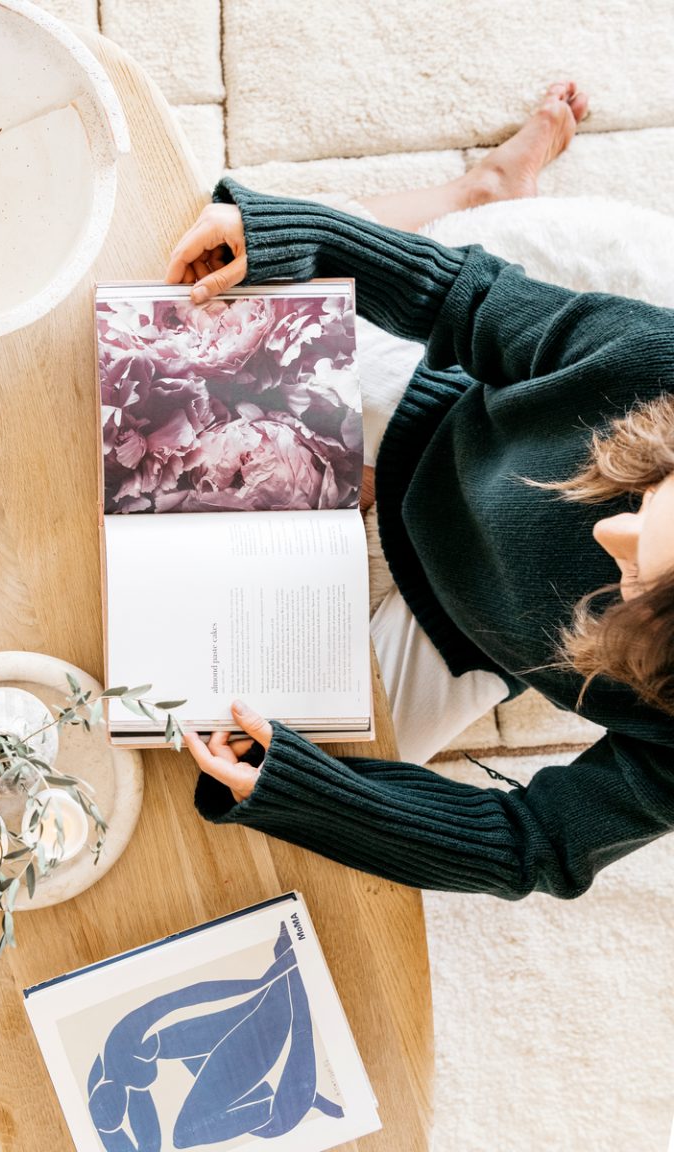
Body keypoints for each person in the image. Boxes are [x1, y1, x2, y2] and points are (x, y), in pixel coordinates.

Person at [163, 82, 674, 900]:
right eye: (645, 507)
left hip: (460, 635)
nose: (606, 535)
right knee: (201, 295)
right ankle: (483, 189)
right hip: (433, 419)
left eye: (629, 586)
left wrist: (300, 790)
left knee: (253, 748)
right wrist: (297, 234)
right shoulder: (655, 367)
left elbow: (531, 847)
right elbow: (459, 297)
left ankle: (351, 485)